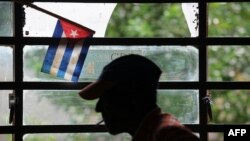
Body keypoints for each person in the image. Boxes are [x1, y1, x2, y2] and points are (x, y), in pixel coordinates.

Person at [79, 54, 200, 141]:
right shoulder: (154, 132)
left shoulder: (169, 135)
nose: (98, 108)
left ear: (132, 97)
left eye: (106, 97)